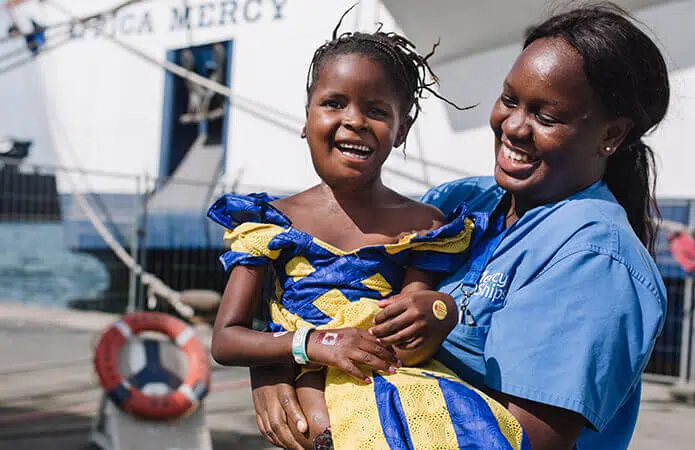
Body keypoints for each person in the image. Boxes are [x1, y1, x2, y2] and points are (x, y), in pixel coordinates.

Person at [249, 3, 669, 450]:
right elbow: (320, 299)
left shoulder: (595, 262)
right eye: (510, 100)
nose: (514, 127)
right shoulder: (456, 203)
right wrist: (279, 365)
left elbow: (523, 441)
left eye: (546, 118)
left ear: (612, 135)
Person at [207, 11, 530, 450]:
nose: (354, 120)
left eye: (376, 110)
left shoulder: (423, 227)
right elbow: (227, 339)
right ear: (306, 118)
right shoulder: (268, 224)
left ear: (402, 130)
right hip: (309, 387)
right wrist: (314, 343)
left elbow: (413, 342)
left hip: (398, 385)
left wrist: (436, 312)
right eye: (334, 103)